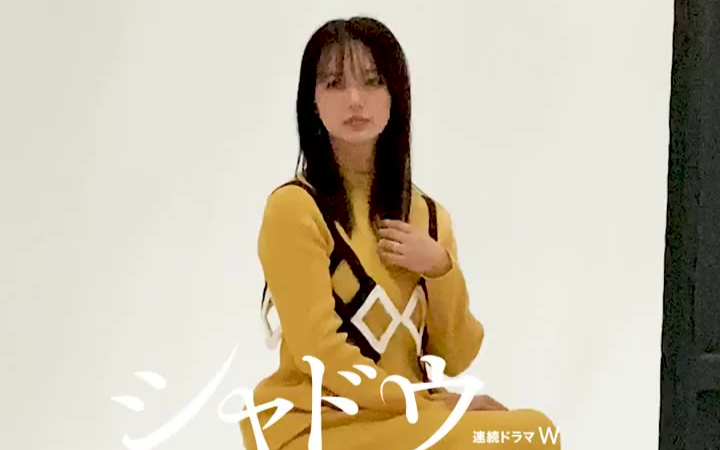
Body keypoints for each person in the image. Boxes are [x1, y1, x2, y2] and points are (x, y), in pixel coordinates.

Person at [241, 16, 561, 450]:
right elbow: (321, 354)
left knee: (534, 432)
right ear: (311, 101)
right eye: (334, 83)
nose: (355, 99)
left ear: (396, 95)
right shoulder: (296, 210)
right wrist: (424, 403)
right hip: (319, 424)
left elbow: (455, 356)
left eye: (372, 81)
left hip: (406, 421)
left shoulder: (429, 218)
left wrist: (440, 268)